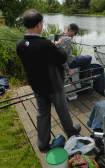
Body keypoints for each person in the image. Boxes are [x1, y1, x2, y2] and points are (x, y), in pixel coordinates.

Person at [16, 9, 81, 152]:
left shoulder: (20, 44)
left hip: (37, 85)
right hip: (53, 85)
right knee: (62, 110)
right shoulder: (46, 44)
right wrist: (57, 45)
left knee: (42, 112)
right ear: (39, 25)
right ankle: (71, 131)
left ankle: (42, 143)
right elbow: (62, 58)